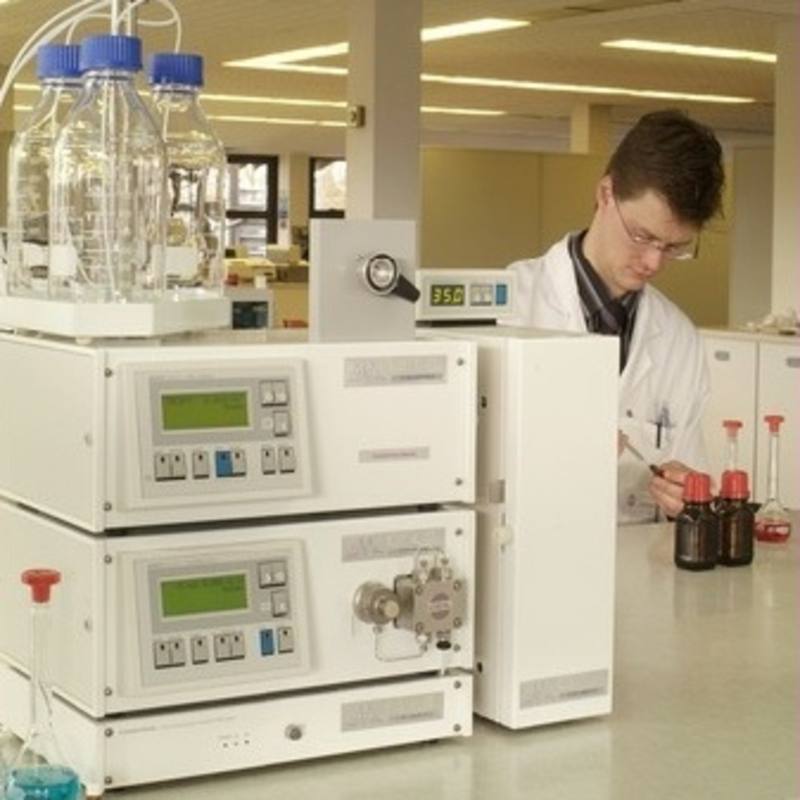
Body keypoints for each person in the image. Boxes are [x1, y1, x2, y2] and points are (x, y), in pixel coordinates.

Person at [505, 109, 725, 523]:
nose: (653, 262)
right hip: (529, 547)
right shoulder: (510, 309)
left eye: (674, 247)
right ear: (606, 194)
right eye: (643, 236)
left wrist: (684, 497)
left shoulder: (677, 337)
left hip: (639, 559)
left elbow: (689, 478)